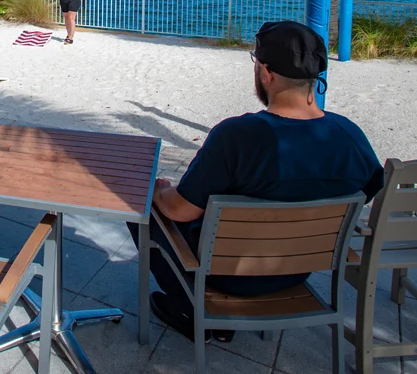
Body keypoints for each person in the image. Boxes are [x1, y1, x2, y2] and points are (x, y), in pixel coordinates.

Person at [131, 20, 384, 342]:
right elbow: (368, 192)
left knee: (141, 204)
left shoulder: (237, 136)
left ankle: (195, 311)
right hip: (298, 268)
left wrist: (158, 192)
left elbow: (181, 211)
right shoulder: (350, 135)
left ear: (266, 72)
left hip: (229, 274)